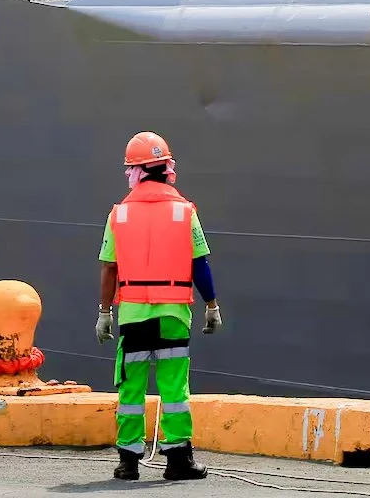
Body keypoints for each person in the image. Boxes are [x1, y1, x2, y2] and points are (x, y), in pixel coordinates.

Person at [97, 131, 221, 482]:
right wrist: (211, 305)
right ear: (167, 167)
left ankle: (128, 463)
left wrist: (105, 313)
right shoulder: (185, 213)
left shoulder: (118, 215)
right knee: (174, 389)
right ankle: (178, 461)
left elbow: (109, 267)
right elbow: (201, 264)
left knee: (131, 390)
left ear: (134, 172)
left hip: (133, 315)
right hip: (173, 314)